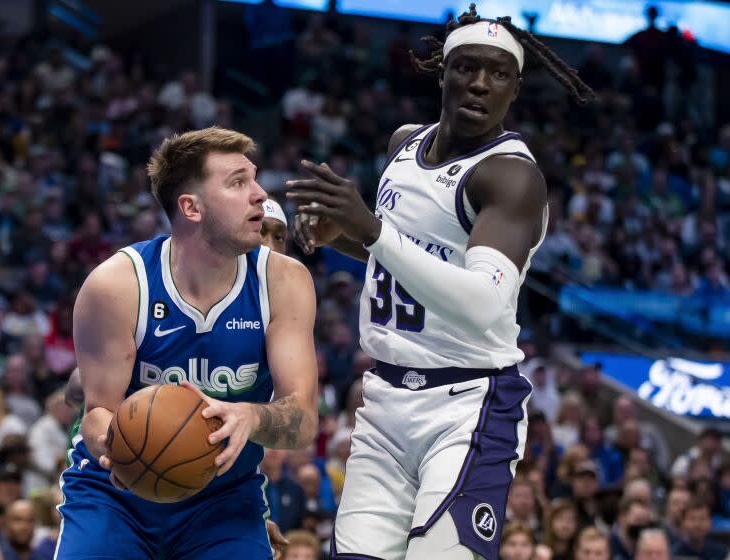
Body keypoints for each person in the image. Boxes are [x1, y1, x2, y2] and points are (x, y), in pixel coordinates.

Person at [289, 4, 593, 559]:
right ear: (442, 71)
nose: (480, 84)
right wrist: (341, 236)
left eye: (498, 73)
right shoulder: (403, 144)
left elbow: (481, 301)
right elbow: (407, 257)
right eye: (467, 68)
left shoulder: (512, 177)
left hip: (467, 404)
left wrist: (375, 233)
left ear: (516, 88)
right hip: (384, 399)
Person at [55, 127, 319, 560]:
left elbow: (304, 421)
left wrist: (251, 416)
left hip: (224, 498)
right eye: (238, 182)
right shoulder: (117, 284)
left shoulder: (285, 281)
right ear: (190, 207)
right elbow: (97, 410)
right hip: (115, 495)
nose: (259, 194)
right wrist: (119, 452)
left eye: (254, 178)